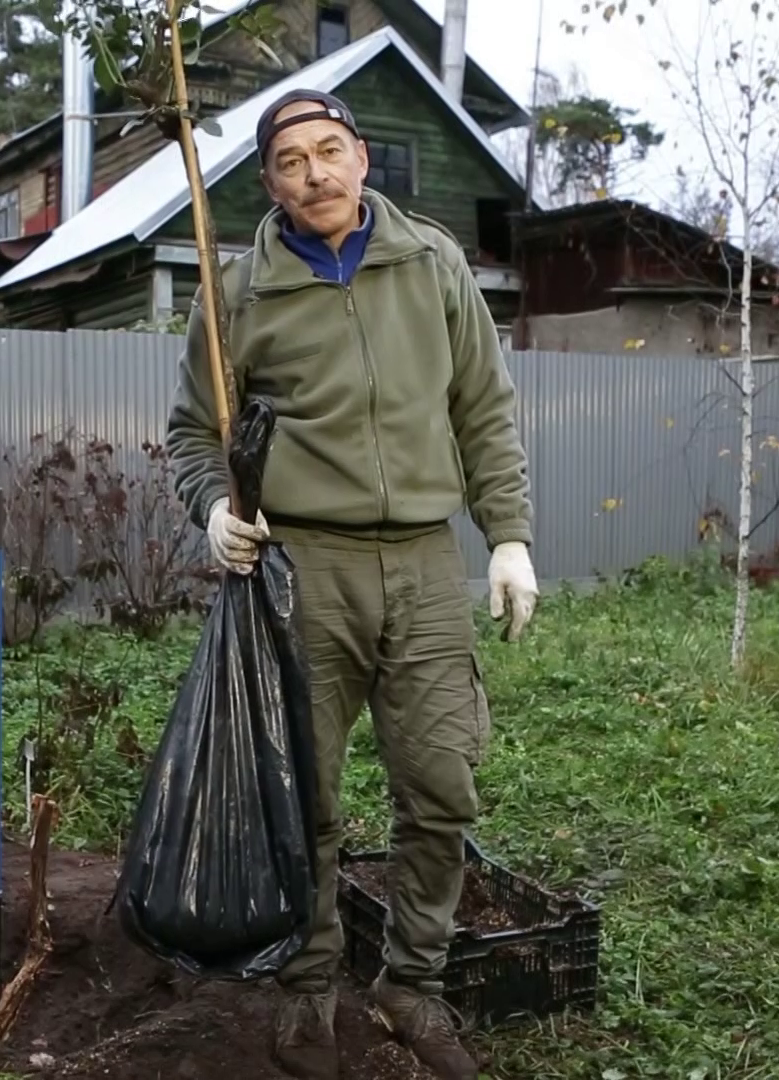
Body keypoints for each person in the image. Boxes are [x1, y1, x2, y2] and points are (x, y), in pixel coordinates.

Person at [163, 88, 539, 1080]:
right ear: (270, 182)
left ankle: (413, 984)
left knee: (442, 783)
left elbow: (483, 408)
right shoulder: (238, 293)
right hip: (305, 570)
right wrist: (213, 508)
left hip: (423, 564)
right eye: (291, 162)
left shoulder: (433, 264)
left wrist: (507, 537)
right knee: (306, 796)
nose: (314, 173)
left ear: (363, 158)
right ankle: (309, 983)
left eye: (330, 151)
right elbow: (193, 432)